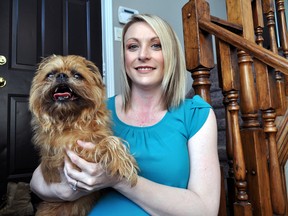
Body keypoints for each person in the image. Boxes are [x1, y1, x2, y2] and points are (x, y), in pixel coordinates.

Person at [30, 14, 221, 215]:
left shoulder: (195, 115)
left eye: (156, 45)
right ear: (124, 57)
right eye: (133, 46)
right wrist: (66, 191)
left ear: (172, 54)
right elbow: (37, 181)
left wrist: (119, 179)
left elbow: (205, 210)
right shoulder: (93, 110)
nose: (143, 55)